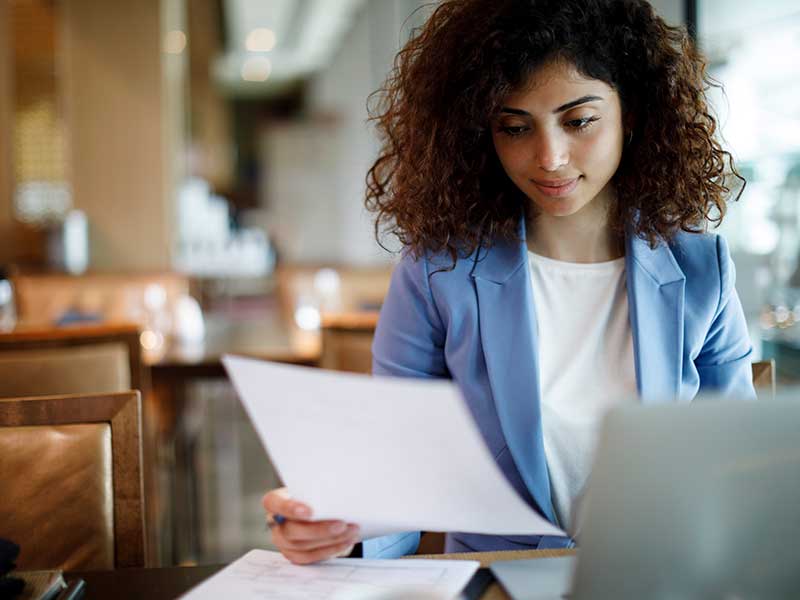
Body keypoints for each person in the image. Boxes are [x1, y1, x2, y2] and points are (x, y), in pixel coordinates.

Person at [262, 0, 755, 564]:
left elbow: (733, 468)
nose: (550, 157)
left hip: (654, 577)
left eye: (579, 121)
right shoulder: (436, 270)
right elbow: (397, 473)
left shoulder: (702, 269)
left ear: (633, 112)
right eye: (515, 127)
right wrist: (340, 524)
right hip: (494, 581)